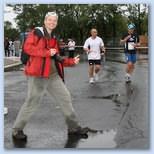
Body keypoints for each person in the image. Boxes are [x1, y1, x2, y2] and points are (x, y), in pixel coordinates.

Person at [12, 12, 89, 143]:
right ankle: (17, 130)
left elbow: (56, 57)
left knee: (65, 98)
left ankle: (73, 128)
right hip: (38, 75)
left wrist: (71, 62)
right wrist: (46, 52)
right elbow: (28, 48)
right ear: (45, 20)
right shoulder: (36, 33)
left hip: (53, 76)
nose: (52, 22)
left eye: (54, 21)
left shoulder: (53, 37)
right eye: (50, 20)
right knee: (31, 103)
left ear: (56, 23)